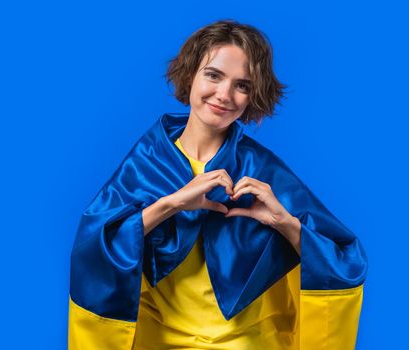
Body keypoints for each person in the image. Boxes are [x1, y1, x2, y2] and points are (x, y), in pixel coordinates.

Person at [68, 20, 367, 350]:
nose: (224, 95)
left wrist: (284, 222)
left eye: (242, 85)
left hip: (248, 343)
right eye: (213, 75)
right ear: (191, 74)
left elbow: (342, 260)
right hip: (157, 340)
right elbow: (96, 247)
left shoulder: (261, 170)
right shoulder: (149, 159)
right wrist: (172, 204)